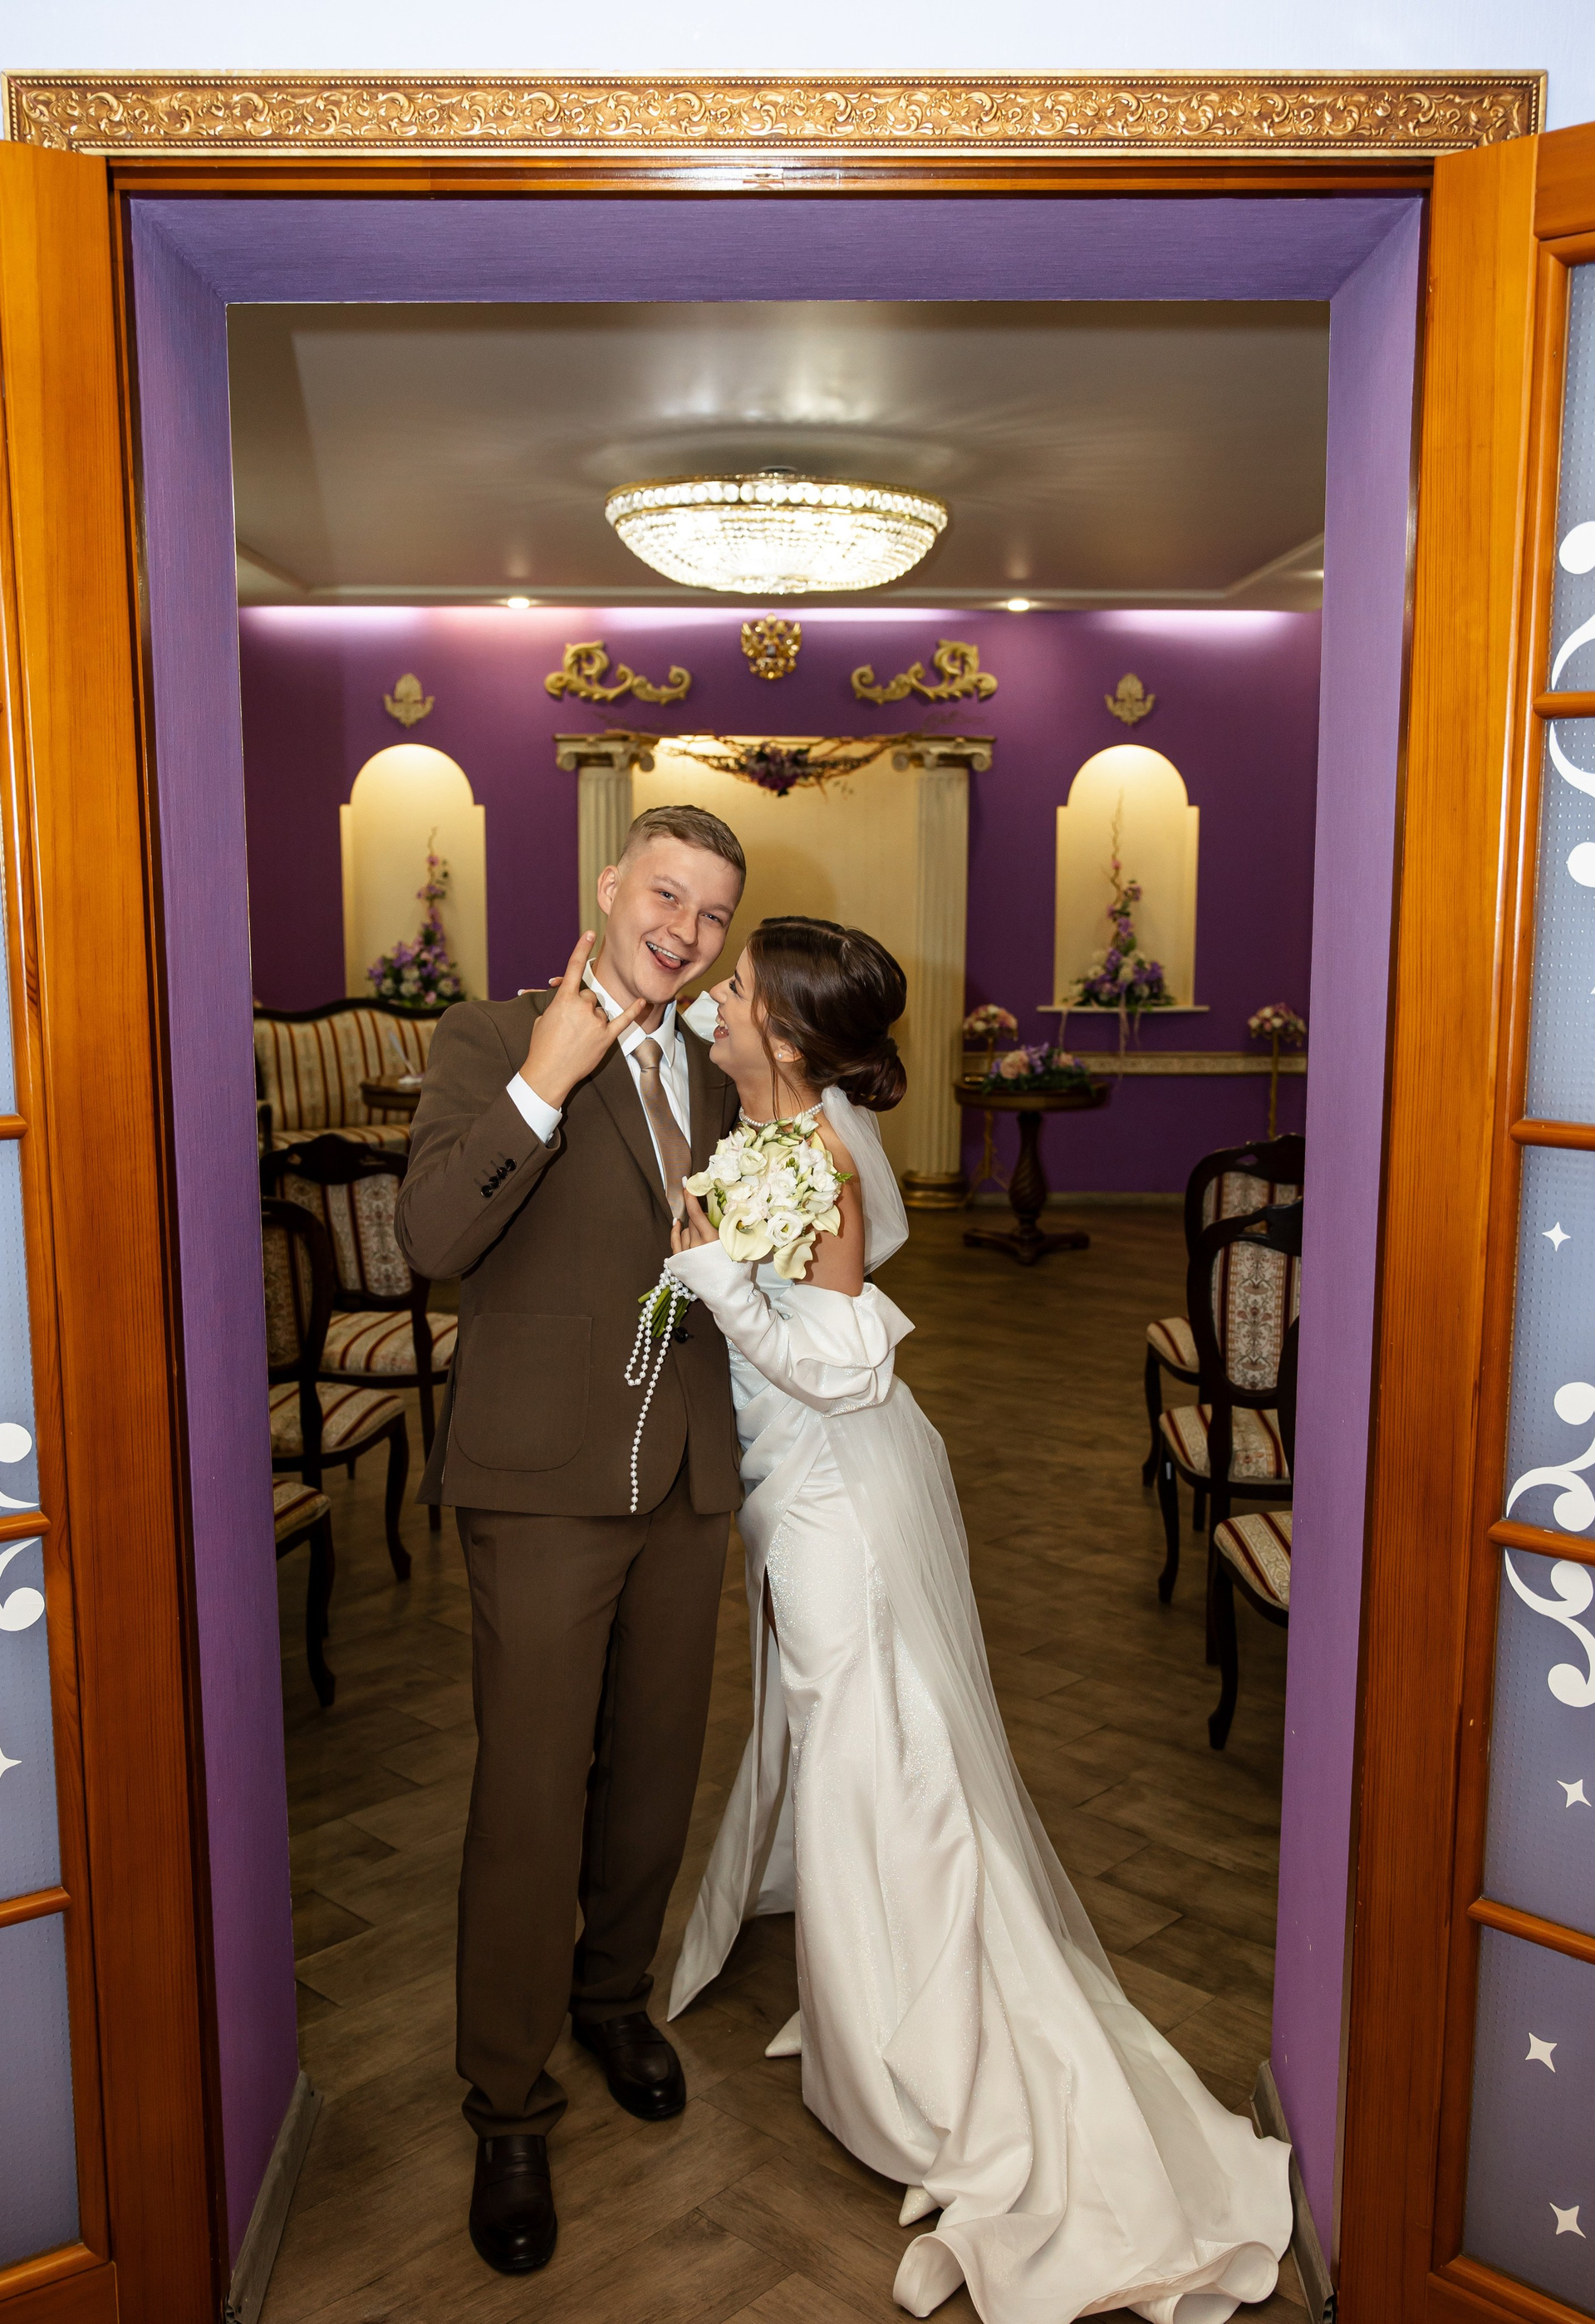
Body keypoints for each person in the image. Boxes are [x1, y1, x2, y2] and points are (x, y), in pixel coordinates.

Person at [661, 916, 1293, 2323]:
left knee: (871, 1752)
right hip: (796, 1483)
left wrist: (718, 1286)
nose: (717, 998)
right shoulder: (785, 1118)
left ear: (788, 1037)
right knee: (855, 1738)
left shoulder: (818, 1157)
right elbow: (836, 1213)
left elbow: (842, 1361)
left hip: (834, 1496)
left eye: (738, 988)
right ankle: (869, 2003)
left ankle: (920, 2056)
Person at [393, 804, 746, 2277]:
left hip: (685, 1477)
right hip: (539, 1484)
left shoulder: (719, 1068)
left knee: (654, 1773)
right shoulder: (487, 1036)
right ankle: (508, 2097)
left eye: (712, 913)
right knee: (533, 1796)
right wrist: (547, 1078)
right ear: (609, 885)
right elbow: (431, 1238)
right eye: (666, 893)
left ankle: (613, 2000)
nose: (685, 929)